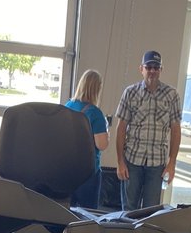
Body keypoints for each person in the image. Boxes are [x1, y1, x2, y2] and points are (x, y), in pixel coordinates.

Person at [115, 50, 181, 210]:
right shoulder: (130, 93)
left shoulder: (171, 95)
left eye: (156, 67)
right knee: (128, 210)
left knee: (151, 211)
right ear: (141, 69)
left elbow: (176, 130)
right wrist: (120, 162)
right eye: (148, 67)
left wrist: (172, 163)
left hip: (157, 164)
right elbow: (121, 128)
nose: (152, 71)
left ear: (161, 70)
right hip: (132, 161)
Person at [64, 69, 109, 209]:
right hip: (88, 173)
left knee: (66, 210)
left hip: (67, 169)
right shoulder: (95, 114)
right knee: (87, 213)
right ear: (97, 89)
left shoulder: (67, 106)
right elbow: (102, 145)